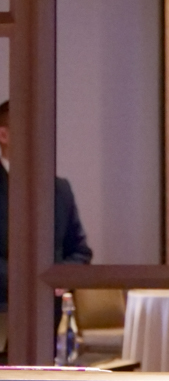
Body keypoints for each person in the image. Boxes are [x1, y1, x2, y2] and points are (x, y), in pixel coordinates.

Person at [0, 100, 92, 314]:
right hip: (4, 309)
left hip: (51, 312)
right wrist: (29, 282)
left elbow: (80, 251)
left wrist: (58, 278)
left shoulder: (60, 189)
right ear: (3, 135)